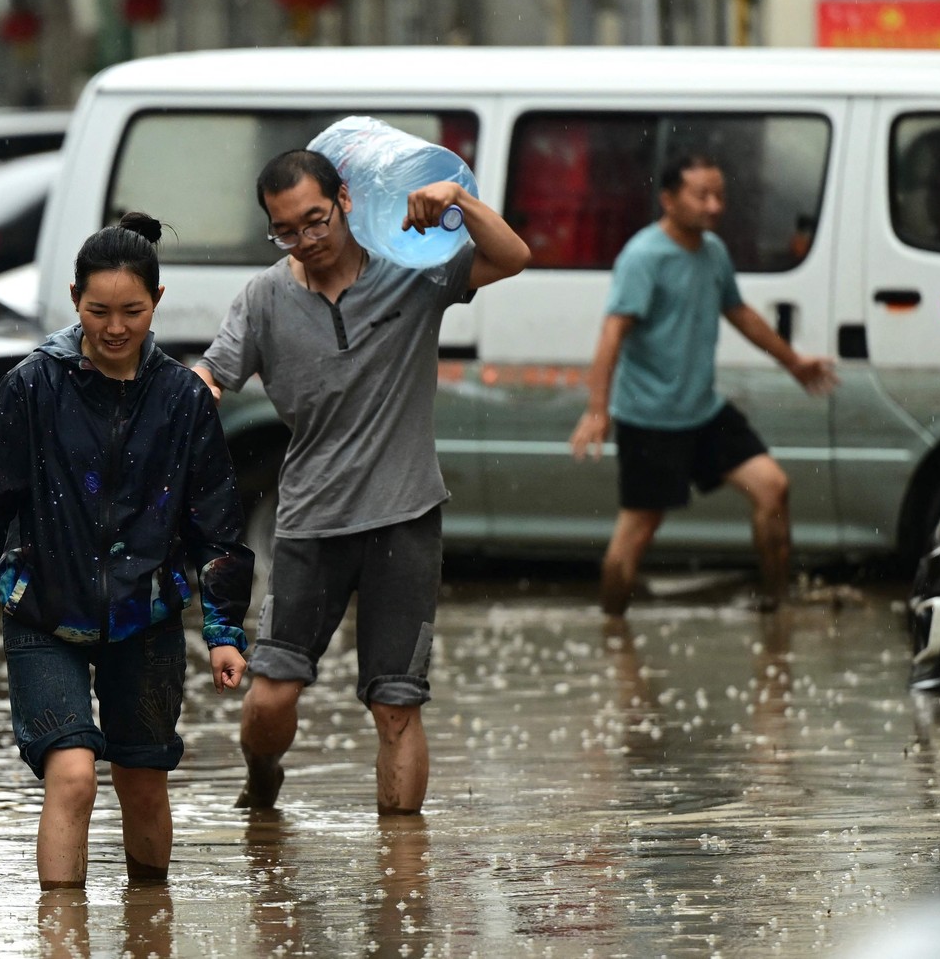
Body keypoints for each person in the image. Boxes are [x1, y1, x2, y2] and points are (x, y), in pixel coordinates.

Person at [192, 149, 531, 815]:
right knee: (271, 698)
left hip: (405, 517)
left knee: (396, 704)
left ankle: (400, 875)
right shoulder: (265, 298)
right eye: (287, 229)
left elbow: (513, 255)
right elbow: (213, 375)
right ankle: (262, 779)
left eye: (315, 220)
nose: (307, 241)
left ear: (345, 200)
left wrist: (458, 204)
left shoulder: (413, 272)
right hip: (310, 523)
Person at [0, 212, 253, 889]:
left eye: (132, 311)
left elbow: (218, 526)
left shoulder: (182, 399)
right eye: (99, 310)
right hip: (43, 611)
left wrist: (224, 631)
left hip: (148, 616)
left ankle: (150, 924)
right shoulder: (31, 387)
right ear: (75, 297)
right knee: (73, 773)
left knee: (143, 783)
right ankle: (61, 930)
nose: (115, 327)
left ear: (157, 303)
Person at [568, 153, 837, 617]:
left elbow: (740, 312)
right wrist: (597, 409)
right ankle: (612, 629)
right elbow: (613, 332)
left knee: (772, 487)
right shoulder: (644, 257)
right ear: (668, 200)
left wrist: (793, 362)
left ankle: (776, 608)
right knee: (639, 529)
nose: (714, 206)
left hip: (703, 411)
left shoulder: (713, 251)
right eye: (702, 196)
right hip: (650, 418)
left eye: (720, 196)